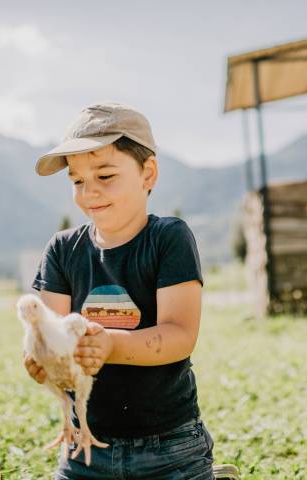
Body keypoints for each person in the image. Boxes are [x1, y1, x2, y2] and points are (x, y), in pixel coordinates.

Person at [24, 102, 214, 480]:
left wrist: (110, 344)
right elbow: (49, 330)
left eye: (106, 175)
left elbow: (180, 335)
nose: (89, 192)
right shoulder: (62, 251)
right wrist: (42, 358)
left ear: (148, 173)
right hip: (85, 445)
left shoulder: (168, 239)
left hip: (169, 445)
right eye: (77, 181)